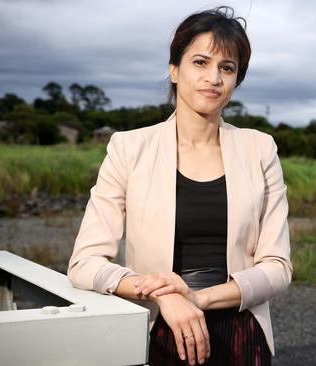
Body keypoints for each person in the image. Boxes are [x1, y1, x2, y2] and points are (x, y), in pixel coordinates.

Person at [67, 6, 292, 366]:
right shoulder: (129, 147)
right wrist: (162, 294)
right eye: (200, 62)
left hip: (241, 331)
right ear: (174, 70)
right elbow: (85, 263)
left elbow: (278, 267)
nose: (213, 78)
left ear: (236, 81)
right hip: (161, 328)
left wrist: (198, 299)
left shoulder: (260, 148)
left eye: (227, 68)